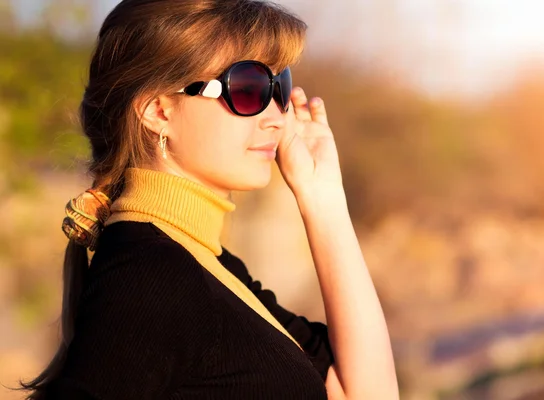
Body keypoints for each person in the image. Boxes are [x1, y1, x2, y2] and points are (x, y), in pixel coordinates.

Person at [17, 0, 398, 398]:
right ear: (157, 111)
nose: (277, 117)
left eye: (278, 86)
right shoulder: (150, 279)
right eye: (247, 89)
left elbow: (366, 392)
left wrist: (323, 198)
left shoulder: (204, 264)